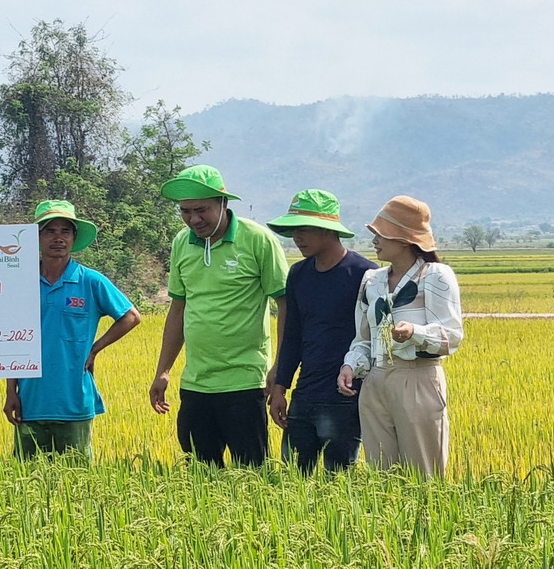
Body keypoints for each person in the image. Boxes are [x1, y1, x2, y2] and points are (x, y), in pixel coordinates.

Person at [149, 164, 289, 467]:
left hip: (245, 380)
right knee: (201, 470)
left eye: (202, 210)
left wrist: (280, 367)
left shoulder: (257, 240)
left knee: (250, 472)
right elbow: (178, 308)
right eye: (185, 211)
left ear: (223, 203)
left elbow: (285, 304)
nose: (193, 219)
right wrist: (163, 370)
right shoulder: (181, 243)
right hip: (196, 381)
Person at [3, 199, 141, 459]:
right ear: (37, 237)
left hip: (74, 402)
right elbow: (13, 340)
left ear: (74, 238)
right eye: (50, 231)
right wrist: (11, 392)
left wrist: (95, 348)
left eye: (65, 231)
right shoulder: (20, 281)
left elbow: (131, 317)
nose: (58, 238)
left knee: (76, 485)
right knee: (25, 484)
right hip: (30, 402)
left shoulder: (90, 280)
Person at [337, 195, 463, 476]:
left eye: (381, 234)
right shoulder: (372, 279)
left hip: (417, 378)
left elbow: (452, 335)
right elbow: (364, 339)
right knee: (381, 476)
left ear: (405, 240)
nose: (374, 241)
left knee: (423, 475)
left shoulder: (436, 276)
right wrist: (350, 365)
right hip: (376, 381)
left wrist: (414, 332)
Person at [266, 189, 378, 473]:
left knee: (338, 481)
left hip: (345, 397)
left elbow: (376, 338)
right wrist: (280, 387)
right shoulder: (299, 273)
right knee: (293, 478)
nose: (297, 238)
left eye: (303, 229)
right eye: (293, 231)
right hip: (304, 394)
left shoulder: (365, 275)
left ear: (328, 231)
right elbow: (292, 334)